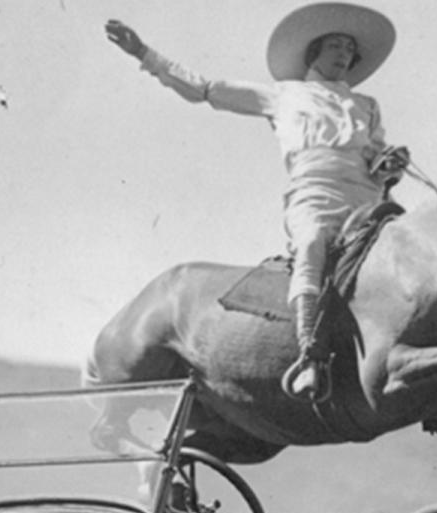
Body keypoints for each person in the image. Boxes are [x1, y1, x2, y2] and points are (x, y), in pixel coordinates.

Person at [106, 4, 408, 400]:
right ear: (313, 51)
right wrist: (145, 54)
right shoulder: (283, 95)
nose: (344, 54)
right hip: (314, 193)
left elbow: (378, 155)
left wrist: (390, 164)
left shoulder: (366, 105)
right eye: (335, 44)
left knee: (409, 257)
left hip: (366, 197)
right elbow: (205, 90)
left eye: (350, 48)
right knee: (312, 243)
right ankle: (309, 356)